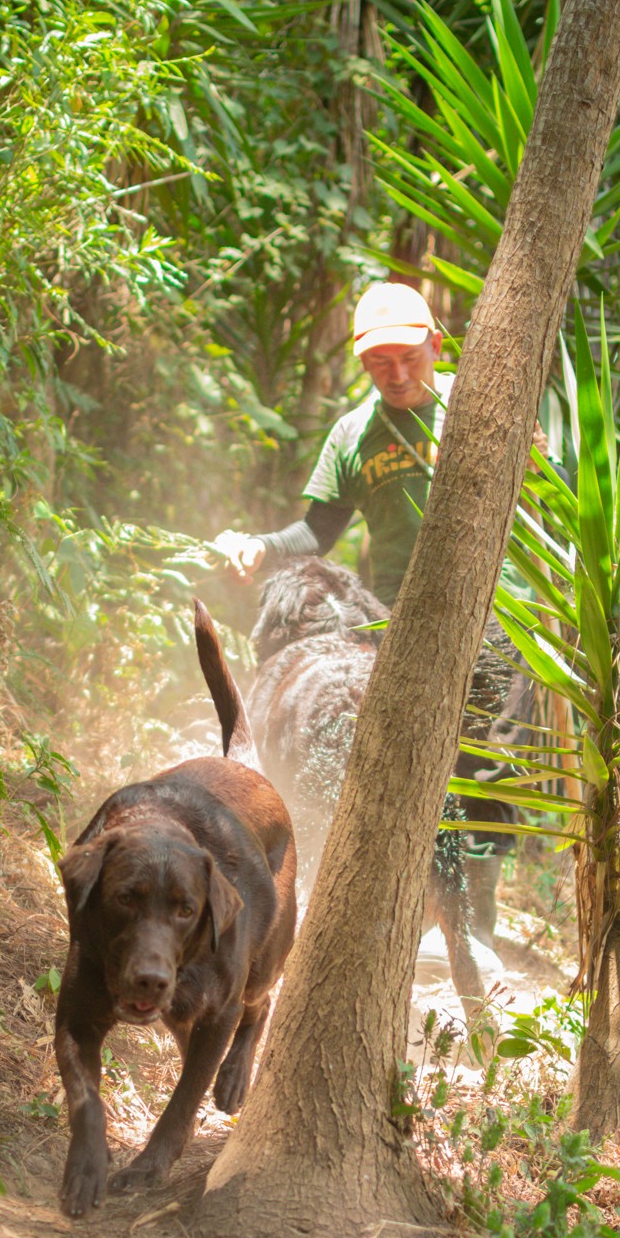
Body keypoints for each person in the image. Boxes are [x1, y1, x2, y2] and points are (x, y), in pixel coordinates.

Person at [215, 280, 521, 940]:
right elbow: (316, 532)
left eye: (409, 357)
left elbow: (544, 494)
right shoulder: (353, 434)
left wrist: (538, 461)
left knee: (482, 763)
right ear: (361, 362)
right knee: (399, 761)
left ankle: (473, 934)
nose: (397, 374)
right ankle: (399, 918)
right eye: (380, 362)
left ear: (436, 345)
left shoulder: (481, 408)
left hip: (493, 618)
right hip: (396, 622)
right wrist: (260, 548)